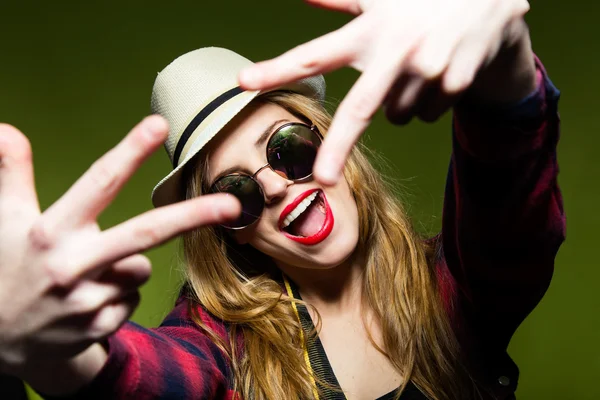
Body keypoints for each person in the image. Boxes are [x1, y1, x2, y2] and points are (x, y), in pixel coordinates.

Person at [0, 0, 564, 399]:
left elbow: (509, 212)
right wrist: (58, 353)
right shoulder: (222, 348)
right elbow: (153, 378)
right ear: (228, 230)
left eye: (286, 149)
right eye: (237, 191)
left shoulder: (453, 287)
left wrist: (504, 71)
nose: (271, 186)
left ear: (326, 135)